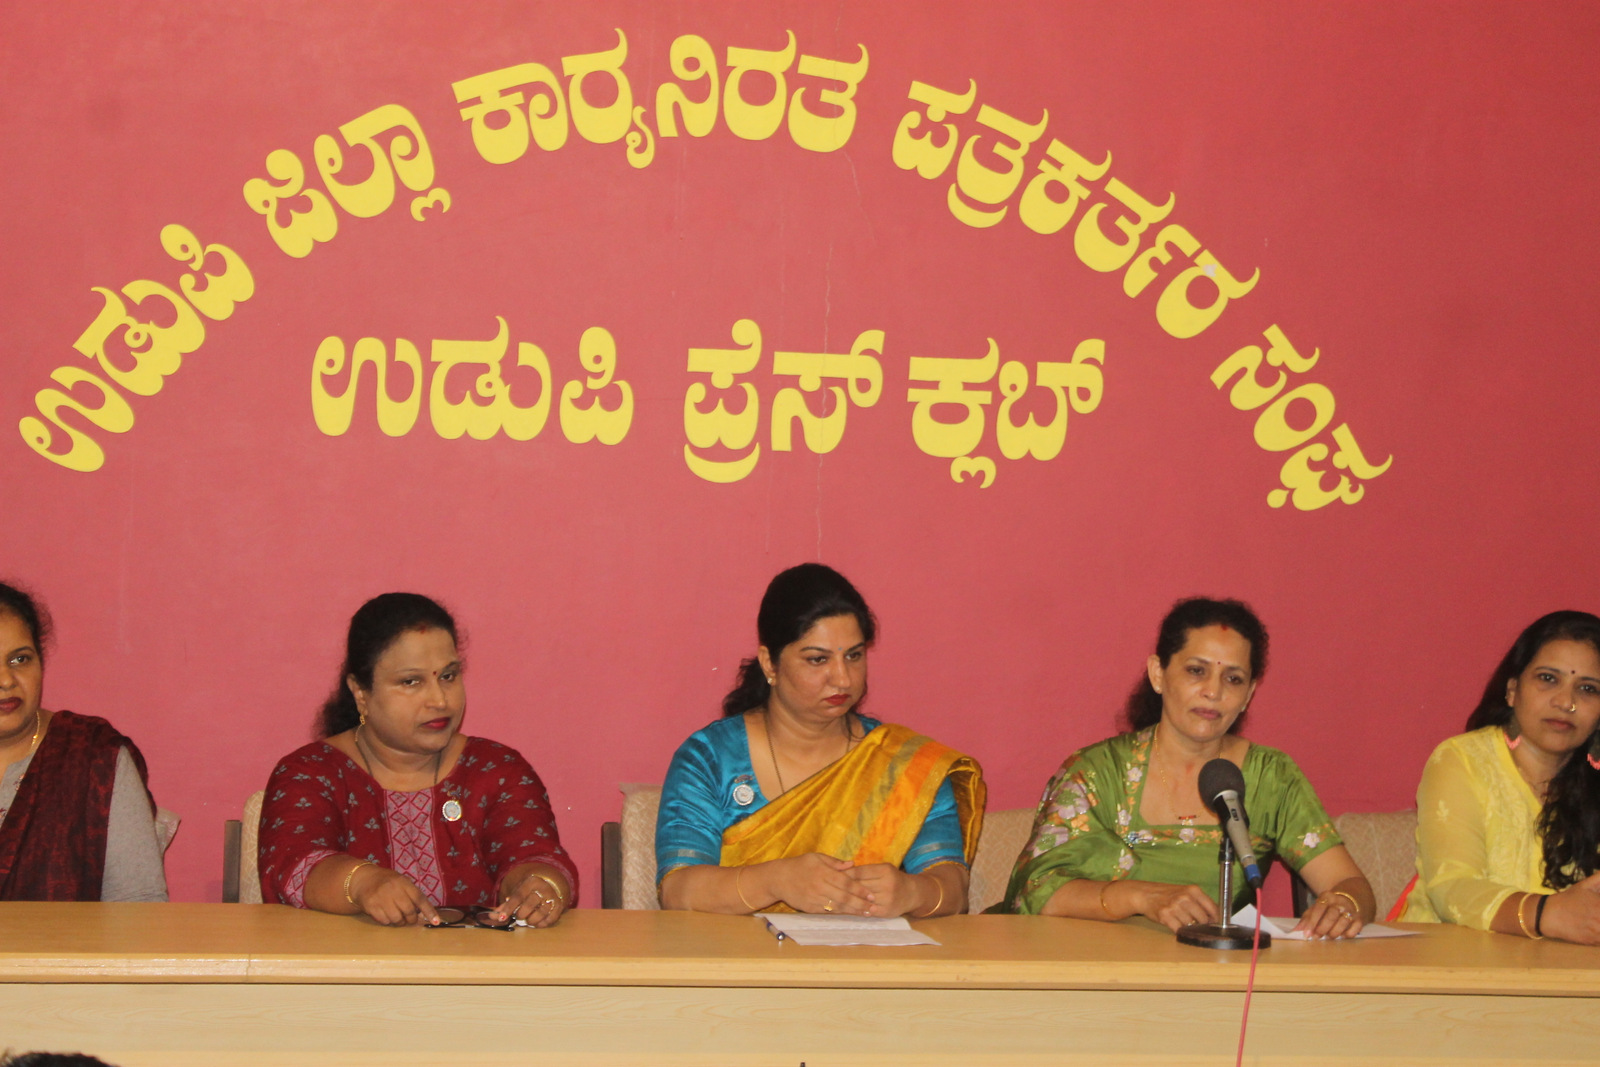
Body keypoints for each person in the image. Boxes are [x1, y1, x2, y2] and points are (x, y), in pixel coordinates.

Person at [1001, 597, 1375, 938]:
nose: (1213, 692)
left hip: (1214, 981)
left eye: (1233, 678)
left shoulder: (1269, 776)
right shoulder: (1097, 772)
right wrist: (1140, 897)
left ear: (1248, 695)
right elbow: (1034, 893)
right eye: (1197, 671)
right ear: (1158, 674)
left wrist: (1344, 904)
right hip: (1094, 976)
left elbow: (1350, 884)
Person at [656, 563, 985, 917]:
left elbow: (952, 889)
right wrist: (775, 880)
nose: (842, 679)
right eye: (818, 659)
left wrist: (914, 892)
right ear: (770, 663)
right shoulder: (711, 759)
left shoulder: (903, 763)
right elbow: (678, 890)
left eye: (854, 656)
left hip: (866, 966)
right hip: (738, 965)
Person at [257, 593, 577, 926]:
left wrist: (539, 886)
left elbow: (533, 854)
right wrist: (363, 883)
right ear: (360, 693)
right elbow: (292, 864)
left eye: (448, 677)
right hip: (348, 972)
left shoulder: (497, 770)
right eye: (411, 682)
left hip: (478, 972)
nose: (439, 700)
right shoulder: (310, 773)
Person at [1398, 610, 1600, 943]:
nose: (1566, 702)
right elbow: (1453, 888)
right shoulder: (1461, 760)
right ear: (1512, 690)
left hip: (1570, 979)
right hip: (1450, 969)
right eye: (1548, 678)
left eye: (1588, 688)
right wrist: (1547, 913)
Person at [0, 581, 166, 902]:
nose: (6, 680)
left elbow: (137, 905)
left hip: (67, 952)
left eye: (20, 659)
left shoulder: (93, 758)